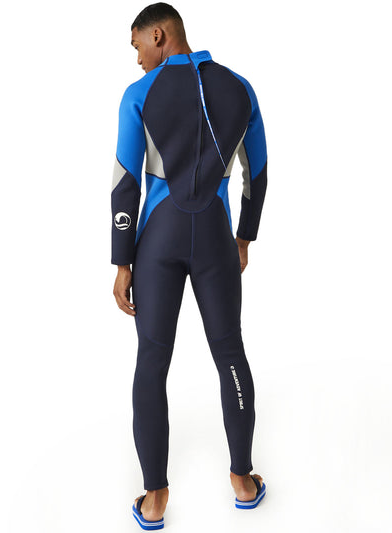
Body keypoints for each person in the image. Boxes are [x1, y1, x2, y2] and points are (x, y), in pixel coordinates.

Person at [110, 3, 267, 529]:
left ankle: (155, 498)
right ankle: (243, 481)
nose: (137, 58)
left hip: (157, 244)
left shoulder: (139, 95)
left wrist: (122, 262)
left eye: (137, 46)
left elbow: (125, 183)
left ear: (158, 35)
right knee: (230, 352)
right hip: (216, 239)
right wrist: (244, 236)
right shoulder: (241, 89)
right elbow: (258, 172)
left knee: (152, 362)